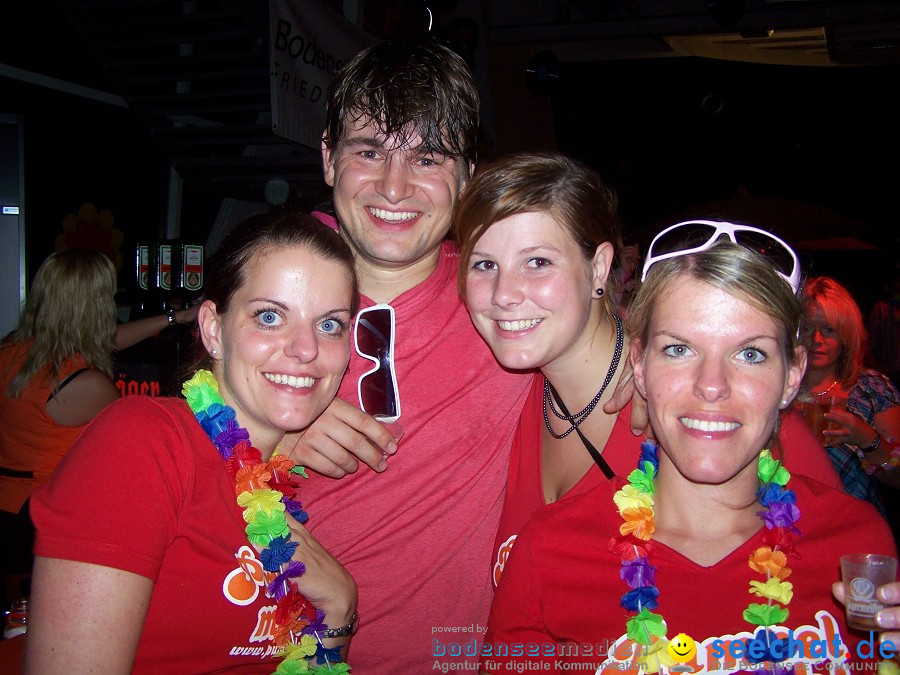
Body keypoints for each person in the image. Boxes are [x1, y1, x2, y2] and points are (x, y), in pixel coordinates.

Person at [482, 223, 896, 673]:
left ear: (791, 375)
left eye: (750, 353)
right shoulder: (550, 552)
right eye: (679, 349)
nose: (711, 386)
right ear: (639, 364)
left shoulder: (856, 544)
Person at [453, 158, 843, 588]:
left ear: (599, 268)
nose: (504, 294)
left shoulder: (718, 415)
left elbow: (844, 570)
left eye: (538, 262)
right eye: (484, 264)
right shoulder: (510, 394)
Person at [285, 38, 534, 673]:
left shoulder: (510, 305)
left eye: (427, 157)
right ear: (329, 159)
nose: (394, 187)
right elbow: (187, 435)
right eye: (369, 151)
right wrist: (266, 434)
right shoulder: (267, 289)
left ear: (468, 177)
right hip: (266, 651)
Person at [25, 212, 359, 674]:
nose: (305, 349)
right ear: (213, 329)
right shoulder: (144, 444)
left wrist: (339, 608)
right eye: (269, 316)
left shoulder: (282, 477)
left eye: (329, 325)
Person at [0, 250, 120, 595]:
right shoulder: (86, 384)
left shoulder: (12, 351)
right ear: (94, 306)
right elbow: (137, 431)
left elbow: (109, 340)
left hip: (9, 505)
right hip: (42, 514)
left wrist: (172, 318)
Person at [795, 276, 900, 510]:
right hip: (784, 525)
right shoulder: (776, 386)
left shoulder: (872, 388)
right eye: (808, 328)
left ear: (846, 336)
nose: (816, 340)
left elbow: (897, 478)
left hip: (856, 524)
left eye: (829, 330)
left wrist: (865, 438)